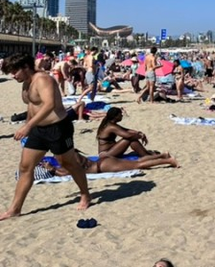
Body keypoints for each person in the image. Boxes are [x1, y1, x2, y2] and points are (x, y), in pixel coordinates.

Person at [0, 53, 91, 220]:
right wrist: (27, 126)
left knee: (68, 164)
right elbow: (32, 106)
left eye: (14, 71)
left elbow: (49, 105)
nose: (12, 76)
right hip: (38, 130)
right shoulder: (26, 82)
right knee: (25, 167)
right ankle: (15, 209)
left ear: (25, 67)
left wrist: (28, 126)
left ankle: (85, 194)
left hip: (58, 128)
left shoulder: (42, 80)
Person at [44, 150, 179, 175]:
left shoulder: (66, 159)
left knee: (138, 165)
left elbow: (68, 172)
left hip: (103, 166)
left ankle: (168, 160)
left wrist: (52, 169)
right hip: (102, 162)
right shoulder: (71, 152)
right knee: (136, 162)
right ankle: (162, 155)